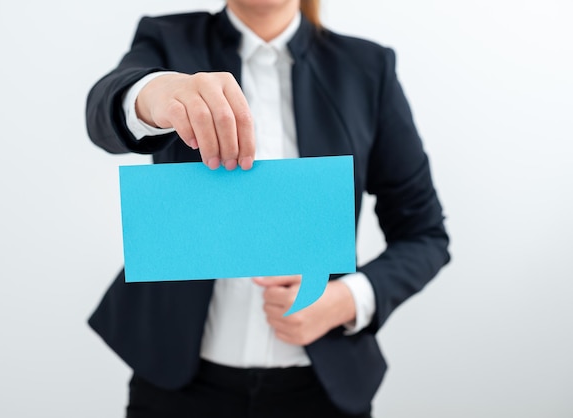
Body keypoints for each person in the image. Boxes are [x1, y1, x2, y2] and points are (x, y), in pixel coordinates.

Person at [86, 1, 450, 417]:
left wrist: (346, 298)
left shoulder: (367, 68)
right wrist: (156, 94)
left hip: (321, 390)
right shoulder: (169, 40)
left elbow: (425, 233)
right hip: (177, 386)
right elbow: (104, 109)